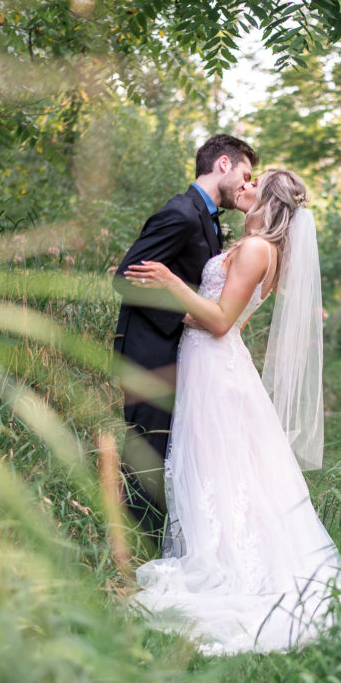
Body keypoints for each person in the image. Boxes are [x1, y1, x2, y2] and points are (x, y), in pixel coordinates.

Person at [123, 169, 341, 654]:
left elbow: (223, 321)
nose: (244, 188)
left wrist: (168, 280)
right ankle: (229, 550)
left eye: (255, 184)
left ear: (267, 201)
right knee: (227, 467)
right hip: (215, 364)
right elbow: (218, 312)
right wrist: (181, 306)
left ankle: (230, 565)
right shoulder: (263, 251)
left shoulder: (255, 250)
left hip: (215, 363)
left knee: (216, 465)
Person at [113, 134, 258, 549]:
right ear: (224, 164)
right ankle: (133, 556)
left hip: (181, 355)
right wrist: (187, 317)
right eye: (246, 174)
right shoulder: (180, 212)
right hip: (149, 354)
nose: (248, 184)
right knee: (147, 452)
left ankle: (158, 548)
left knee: (169, 455)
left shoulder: (208, 218)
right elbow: (125, 278)